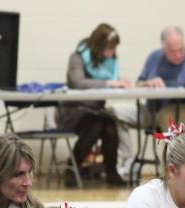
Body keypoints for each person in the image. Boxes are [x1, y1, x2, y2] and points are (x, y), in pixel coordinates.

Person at [56, 23, 133, 186]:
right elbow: (78, 82)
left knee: (110, 125)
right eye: (110, 48)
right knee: (96, 125)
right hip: (72, 111)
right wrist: (109, 83)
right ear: (99, 47)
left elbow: (111, 81)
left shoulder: (110, 60)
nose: (113, 53)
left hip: (95, 111)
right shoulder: (76, 57)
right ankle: (72, 169)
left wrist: (120, 82)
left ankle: (112, 172)